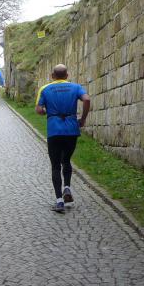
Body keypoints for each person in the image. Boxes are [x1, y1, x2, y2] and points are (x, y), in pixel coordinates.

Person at [35, 64, 90, 213]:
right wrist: (83, 119)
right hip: (71, 129)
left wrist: (46, 111)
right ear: (67, 75)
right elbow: (86, 100)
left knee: (55, 165)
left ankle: (59, 201)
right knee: (66, 160)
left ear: (53, 76)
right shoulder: (76, 87)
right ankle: (67, 187)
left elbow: (39, 109)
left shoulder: (45, 89)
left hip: (54, 130)